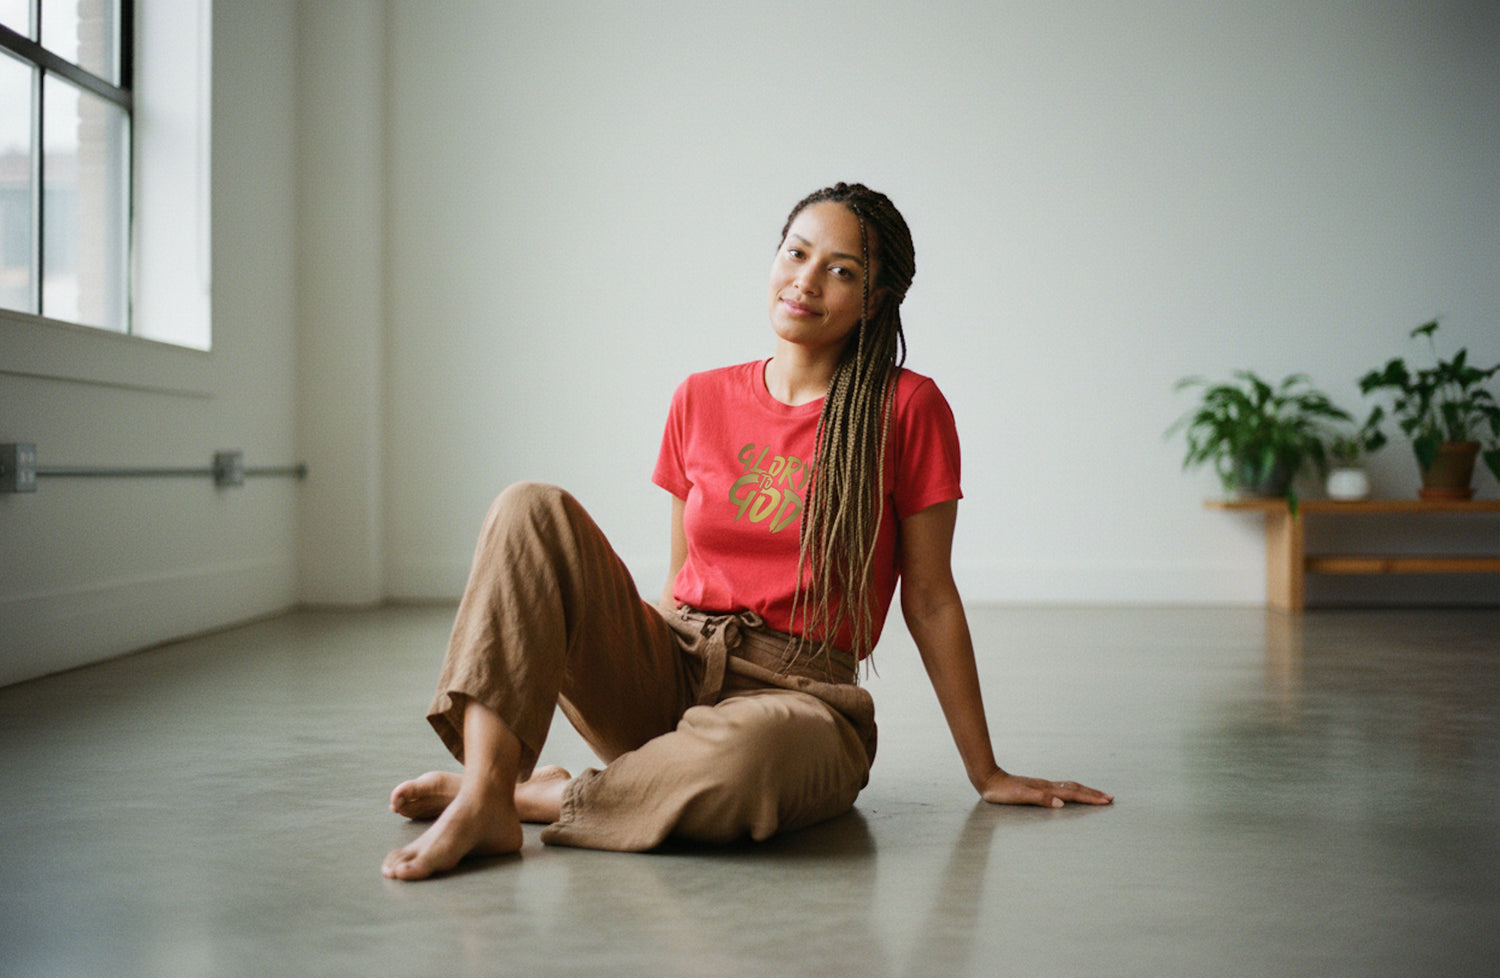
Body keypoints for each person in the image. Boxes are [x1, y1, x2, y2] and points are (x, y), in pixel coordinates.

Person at [381, 182, 1111, 881]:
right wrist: (645, 680)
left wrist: (986, 772)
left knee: (749, 757)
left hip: (800, 701)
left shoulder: (907, 408)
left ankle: (534, 796)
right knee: (527, 506)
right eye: (796, 253)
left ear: (875, 299)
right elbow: (677, 578)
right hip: (677, 665)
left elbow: (930, 597)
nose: (807, 280)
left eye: (841, 270)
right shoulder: (699, 397)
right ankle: (486, 793)